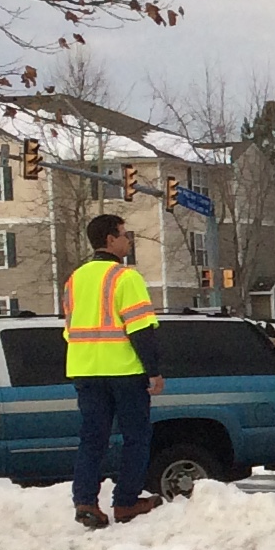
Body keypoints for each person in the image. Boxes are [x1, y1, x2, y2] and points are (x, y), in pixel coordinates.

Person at [64, 213, 163, 528]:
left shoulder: (75, 279)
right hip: (124, 371)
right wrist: (154, 371)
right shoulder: (125, 278)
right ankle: (126, 502)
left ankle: (85, 502)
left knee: (92, 438)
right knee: (136, 437)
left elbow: (69, 328)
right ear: (110, 240)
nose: (128, 241)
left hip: (85, 370)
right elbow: (141, 330)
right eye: (124, 235)